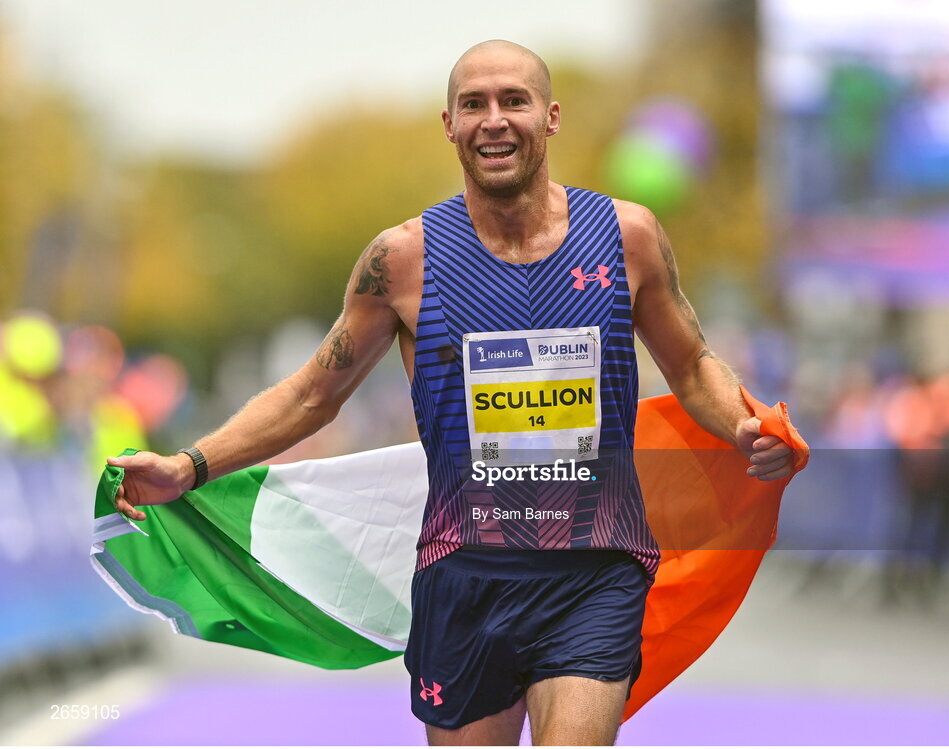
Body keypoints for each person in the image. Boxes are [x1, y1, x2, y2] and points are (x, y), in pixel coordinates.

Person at [109, 40, 795, 746]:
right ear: (450, 124)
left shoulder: (627, 237)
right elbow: (312, 396)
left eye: (513, 101)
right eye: (474, 104)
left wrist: (743, 423)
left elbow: (691, 365)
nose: (493, 120)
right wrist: (189, 466)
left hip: (595, 567)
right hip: (465, 575)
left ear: (550, 117)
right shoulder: (402, 260)